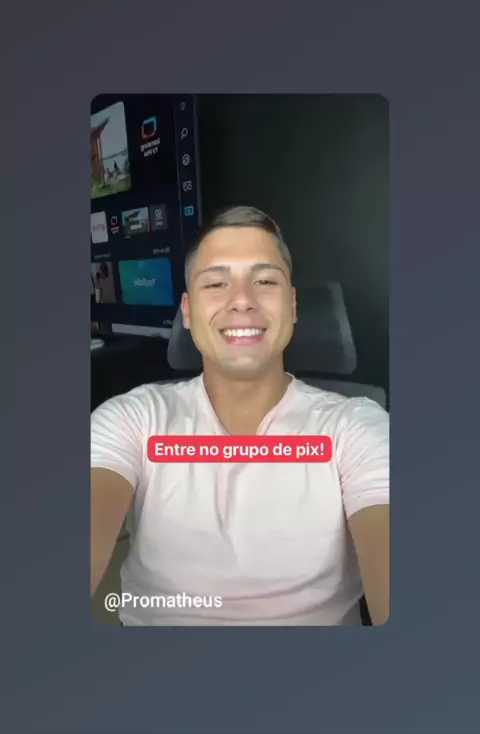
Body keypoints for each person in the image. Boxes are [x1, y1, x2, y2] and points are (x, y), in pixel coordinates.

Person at [91, 206, 389, 626]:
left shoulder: (358, 428)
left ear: (292, 305)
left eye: (265, 281)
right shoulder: (131, 419)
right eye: (216, 283)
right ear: (188, 311)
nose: (243, 300)